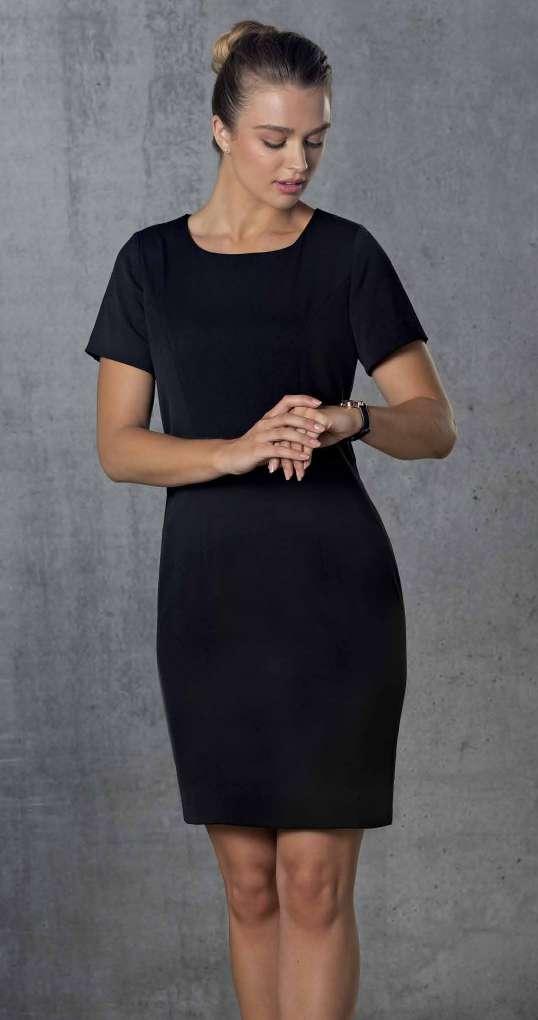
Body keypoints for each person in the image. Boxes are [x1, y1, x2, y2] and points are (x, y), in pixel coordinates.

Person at [84, 19, 456, 1020]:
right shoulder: (150, 264)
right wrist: (234, 450)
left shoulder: (347, 255)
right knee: (248, 886)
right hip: (208, 605)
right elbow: (119, 445)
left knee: (312, 883)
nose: (298, 162)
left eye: (315, 140)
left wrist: (351, 418)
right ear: (220, 130)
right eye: (274, 139)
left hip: (335, 600)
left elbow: (435, 425)